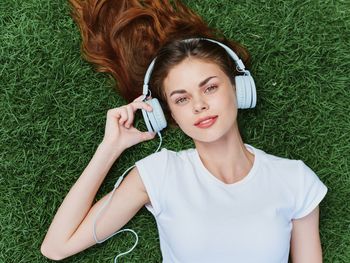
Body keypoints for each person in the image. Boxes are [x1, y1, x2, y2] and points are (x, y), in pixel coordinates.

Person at [40, 0, 327, 262]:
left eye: (210, 87)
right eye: (181, 98)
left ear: (240, 89)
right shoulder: (161, 172)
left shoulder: (294, 179)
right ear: (170, 114)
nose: (199, 105)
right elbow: (56, 247)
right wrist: (110, 148)